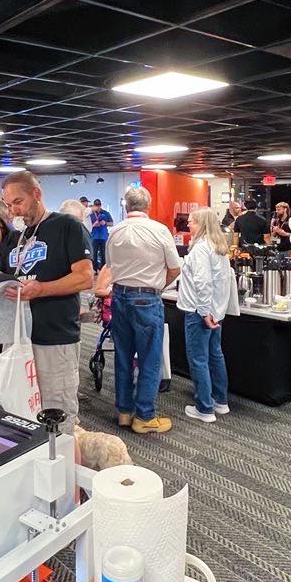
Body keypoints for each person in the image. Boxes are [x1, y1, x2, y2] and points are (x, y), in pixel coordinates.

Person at [0, 171, 92, 434]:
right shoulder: (15, 239)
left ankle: (62, 461)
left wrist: (42, 289)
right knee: (21, 413)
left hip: (54, 339)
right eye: (9, 204)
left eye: (18, 202)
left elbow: (84, 277)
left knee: (58, 417)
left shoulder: (66, 226)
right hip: (16, 341)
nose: (13, 211)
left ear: (36, 194)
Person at [106, 186, 181, 434]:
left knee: (123, 356)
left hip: (119, 296)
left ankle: (124, 412)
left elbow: (109, 265)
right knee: (149, 358)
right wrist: (157, 287)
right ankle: (145, 416)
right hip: (147, 299)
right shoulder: (159, 230)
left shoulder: (115, 231)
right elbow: (175, 268)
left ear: (126, 206)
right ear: (148, 205)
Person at [177, 207, 232, 423]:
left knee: (198, 359)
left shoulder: (201, 249)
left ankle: (205, 408)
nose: (188, 225)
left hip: (199, 312)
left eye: (192, 221)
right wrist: (214, 311)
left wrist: (204, 312)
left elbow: (203, 282)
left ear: (201, 224)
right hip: (215, 311)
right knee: (215, 355)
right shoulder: (218, 247)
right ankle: (220, 401)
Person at [89, 199, 114, 271]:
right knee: (93, 254)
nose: (97, 207)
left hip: (103, 236)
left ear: (101, 205)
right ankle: (94, 270)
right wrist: (94, 224)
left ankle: (103, 270)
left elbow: (111, 223)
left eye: (99, 205)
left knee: (104, 254)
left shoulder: (106, 213)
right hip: (94, 236)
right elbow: (88, 224)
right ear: (94, 205)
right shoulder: (91, 214)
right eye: (96, 205)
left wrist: (105, 223)